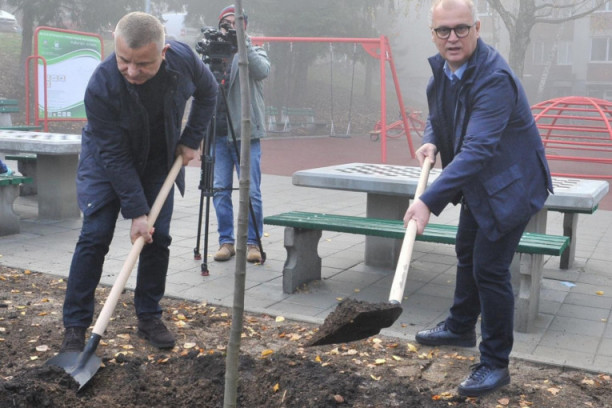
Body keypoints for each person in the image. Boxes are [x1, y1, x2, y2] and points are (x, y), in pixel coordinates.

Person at [404, 0, 553, 397]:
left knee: (490, 269)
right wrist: (431, 140)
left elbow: (478, 150)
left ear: (477, 28)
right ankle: (459, 327)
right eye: (443, 30)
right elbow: (439, 114)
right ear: (433, 34)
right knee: (466, 251)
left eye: (461, 28)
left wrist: (428, 201)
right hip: (480, 183)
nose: (452, 38)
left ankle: (495, 364)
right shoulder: (446, 71)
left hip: (511, 186)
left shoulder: (494, 79)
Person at [60, 12, 218, 352]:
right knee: (94, 236)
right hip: (106, 161)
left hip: (159, 158)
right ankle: (75, 326)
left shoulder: (184, 60)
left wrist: (191, 138)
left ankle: (148, 317)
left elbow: (209, 92)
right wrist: (136, 212)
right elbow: (114, 156)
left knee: (157, 239)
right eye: (124, 60)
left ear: (163, 52)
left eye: (143, 64)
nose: (132, 71)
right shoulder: (101, 85)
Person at [211, 5, 270, 264]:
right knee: (219, 190)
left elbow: (262, 70)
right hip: (218, 134)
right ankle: (226, 241)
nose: (231, 27)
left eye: (236, 23)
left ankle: (253, 243)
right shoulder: (212, 53)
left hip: (246, 135)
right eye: (226, 23)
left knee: (252, 192)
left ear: (244, 26)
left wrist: (242, 42)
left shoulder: (253, 50)